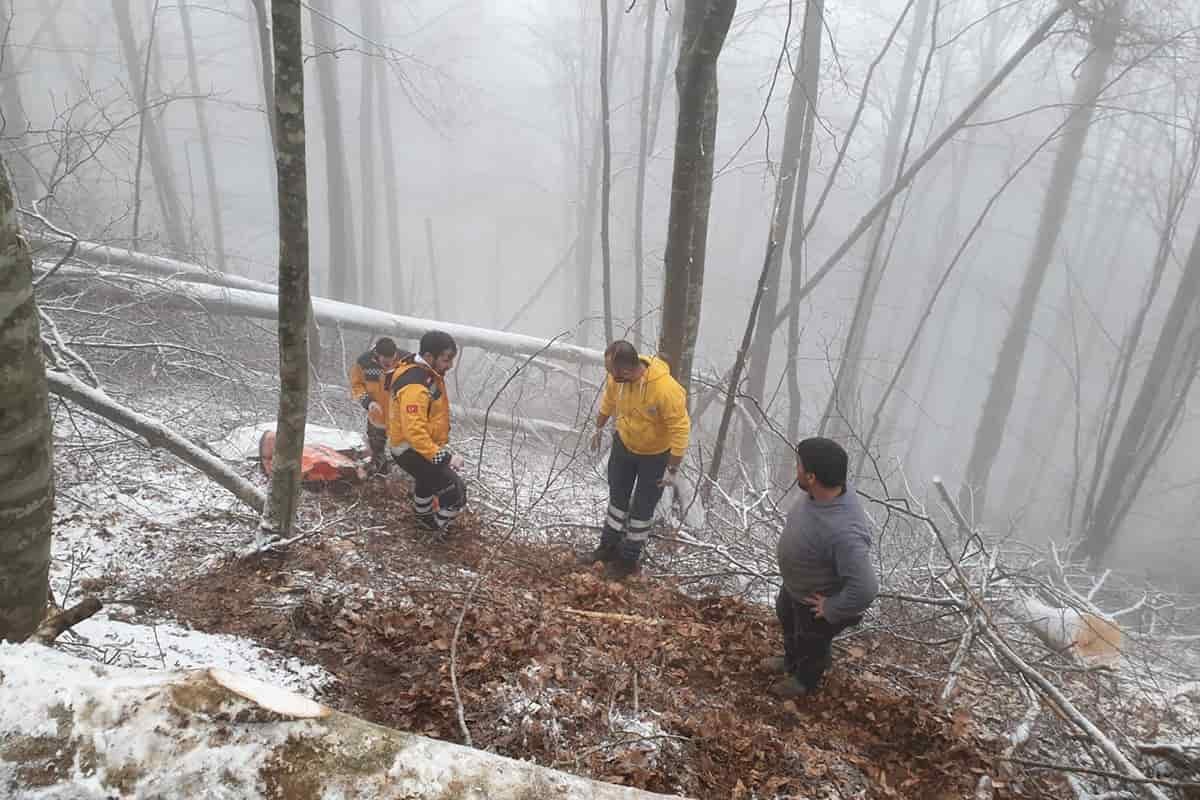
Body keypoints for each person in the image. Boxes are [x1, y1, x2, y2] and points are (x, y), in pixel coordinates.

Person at [762, 437, 878, 698]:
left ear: (812, 476)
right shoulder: (817, 494)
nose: (797, 470)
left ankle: (804, 681)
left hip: (817, 602)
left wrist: (832, 607)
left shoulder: (846, 530)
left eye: (800, 466)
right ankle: (790, 660)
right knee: (787, 618)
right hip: (797, 587)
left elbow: (867, 588)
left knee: (811, 641)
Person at [583, 340, 690, 579]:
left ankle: (628, 560)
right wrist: (598, 428)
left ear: (627, 370)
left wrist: (672, 468)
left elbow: (680, 429)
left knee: (642, 509)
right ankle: (607, 548)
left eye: (611, 370)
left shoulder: (665, 390)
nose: (609, 375)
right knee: (617, 499)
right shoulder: (618, 380)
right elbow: (609, 401)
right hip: (625, 444)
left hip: (655, 455)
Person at [388, 330, 466, 532]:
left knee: (427, 482)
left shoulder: (428, 373)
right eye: (446, 359)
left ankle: (422, 521)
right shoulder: (415, 384)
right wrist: (445, 457)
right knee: (455, 493)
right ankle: (436, 534)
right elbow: (414, 431)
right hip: (409, 449)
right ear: (429, 356)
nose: (449, 365)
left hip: (417, 447)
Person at [349, 337, 403, 473]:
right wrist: (368, 402)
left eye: (392, 360)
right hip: (376, 417)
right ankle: (380, 474)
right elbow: (356, 385)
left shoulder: (406, 360)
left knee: (403, 452)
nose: (389, 364)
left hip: (400, 418)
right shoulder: (364, 363)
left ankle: (400, 476)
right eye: (385, 362)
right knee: (377, 451)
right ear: (377, 355)